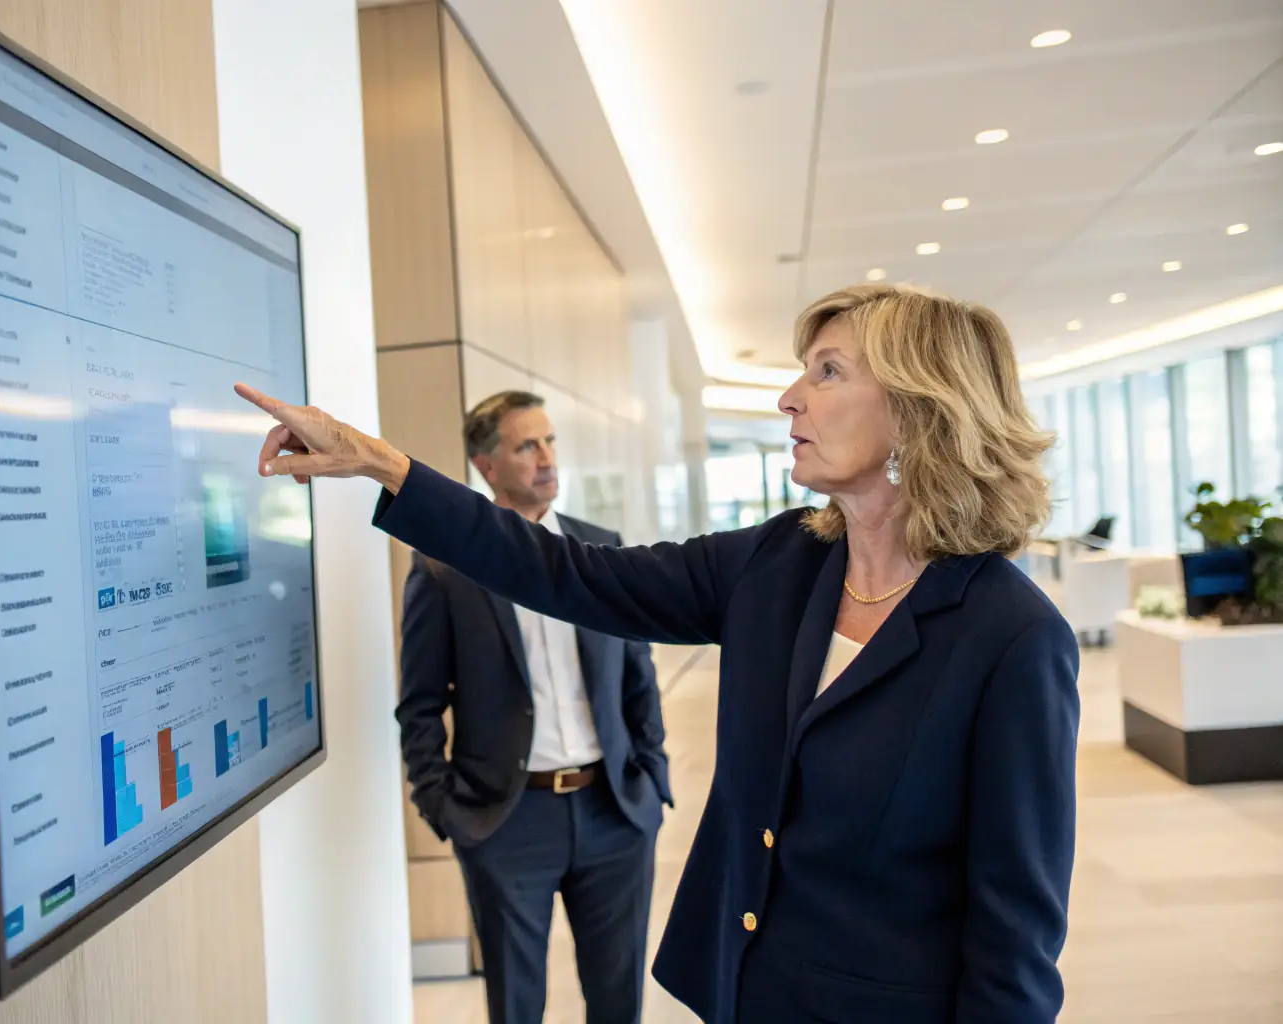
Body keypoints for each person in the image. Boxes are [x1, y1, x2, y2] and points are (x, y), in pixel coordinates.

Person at [235, 282, 1080, 1024]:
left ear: (917, 407)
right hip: (747, 992)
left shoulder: (1012, 638)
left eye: (826, 372)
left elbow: (1015, 931)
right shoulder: (779, 563)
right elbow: (570, 573)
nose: (790, 397)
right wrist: (384, 465)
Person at [396, 389, 671, 1024]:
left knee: (618, 998)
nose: (547, 458)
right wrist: (445, 809)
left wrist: (649, 774)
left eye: (549, 441)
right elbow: (419, 705)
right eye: (527, 445)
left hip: (614, 811)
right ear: (486, 466)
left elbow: (637, 673)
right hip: (507, 820)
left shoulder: (599, 546)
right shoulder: (445, 567)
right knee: (517, 1005)